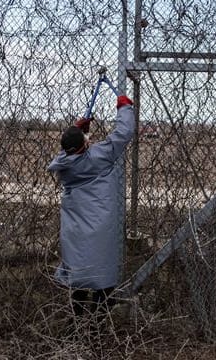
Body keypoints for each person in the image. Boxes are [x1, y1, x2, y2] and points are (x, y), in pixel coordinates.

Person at [48, 95, 135, 329]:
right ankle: (97, 325)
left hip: (75, 229)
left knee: (78, 273)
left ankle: (78, 322)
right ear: (85, 145)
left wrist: (78, 131)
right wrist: (124, 107)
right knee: (103, 275)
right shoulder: (99, 156)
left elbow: (68, 152)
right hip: (100, 226)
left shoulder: (63, 165)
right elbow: (123, 133)